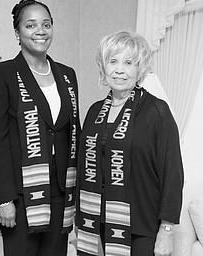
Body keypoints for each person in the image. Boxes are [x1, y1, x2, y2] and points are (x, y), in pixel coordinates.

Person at [0, 1, 80, 255]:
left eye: (46, 24)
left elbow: (73, 134)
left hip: (60, 192)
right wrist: (3, 199)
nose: (40, 30)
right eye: (31, 25)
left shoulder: (67, 75)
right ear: (17, 33)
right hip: (20, 195)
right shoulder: (1, 74)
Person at [76, 31, 184, 256]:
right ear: (103, 66)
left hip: (142, 224)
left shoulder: (157, 111)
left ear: (140, 68)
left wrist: (167, 230)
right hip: (98, 221)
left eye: (128, 63)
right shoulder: (95, 111)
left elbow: (172, 174)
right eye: (113, 61)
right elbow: (83, 166)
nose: (119, 70)